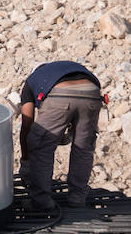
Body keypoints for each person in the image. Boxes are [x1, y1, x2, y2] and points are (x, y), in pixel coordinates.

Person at [19, 61, 104, 211]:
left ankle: (41, 201)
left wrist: (26, 162)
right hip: (92, 92)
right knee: (84, 147)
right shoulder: (64, 69)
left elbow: (27, 124)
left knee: (41, 146)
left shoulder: (31, 82)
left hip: (60, 94)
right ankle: (77, 197)